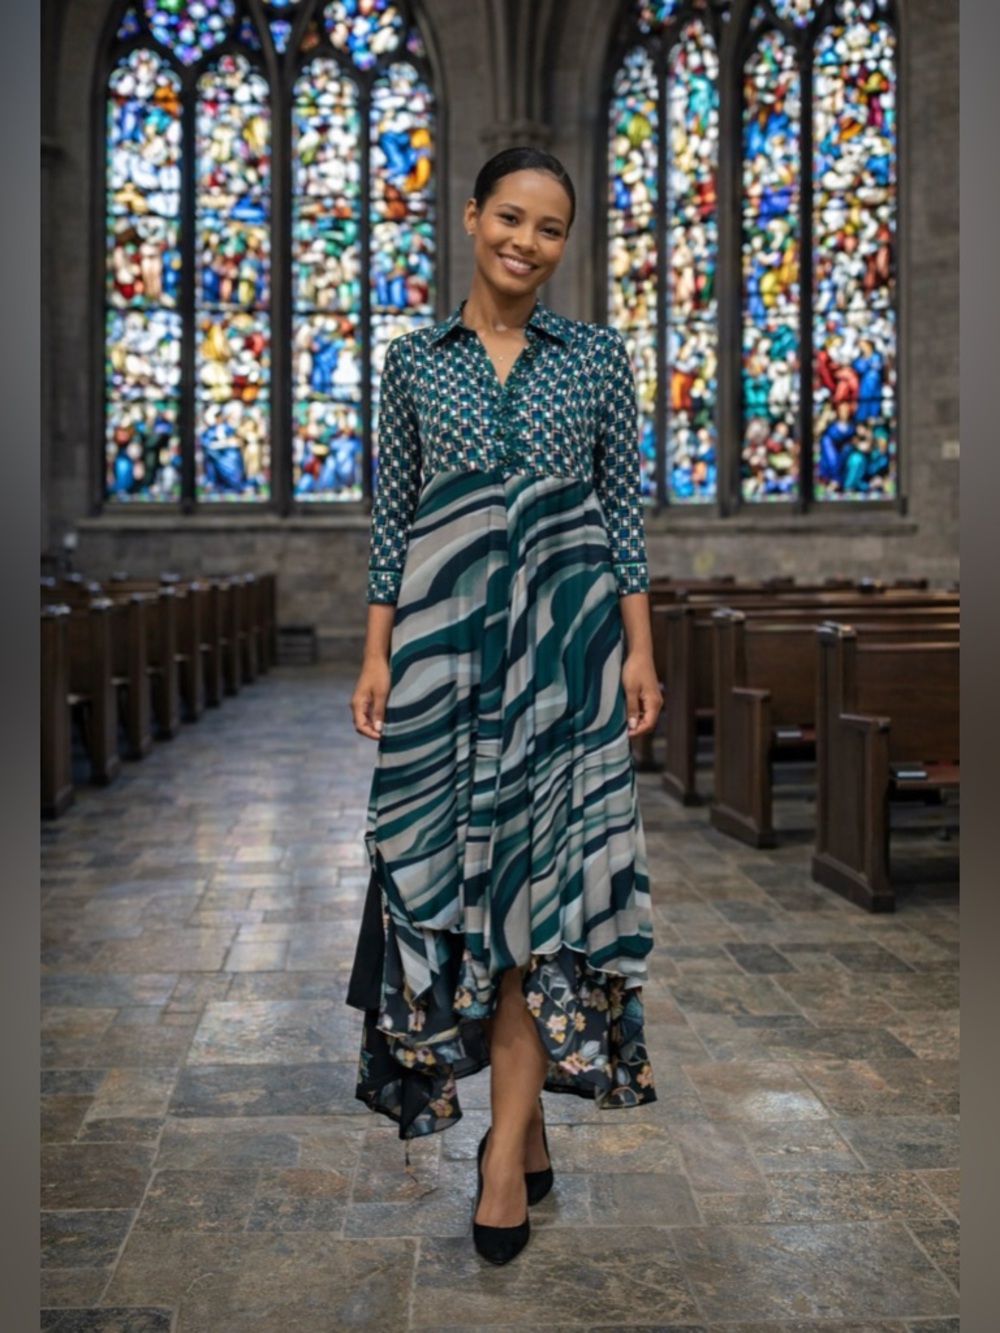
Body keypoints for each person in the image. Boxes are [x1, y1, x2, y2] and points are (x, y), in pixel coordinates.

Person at [347, 147, 661, 1266]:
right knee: (450, 892)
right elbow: (391, 519)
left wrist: (637, 651)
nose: (525, 242)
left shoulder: (596, 358)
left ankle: (501, 1157)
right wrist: (376, 654)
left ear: (565, 244)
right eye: (509, 218)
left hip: (565, 662)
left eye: (550, 228)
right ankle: (520, 1139)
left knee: (536, 908)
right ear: (471, 216)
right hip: (442, 657)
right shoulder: (412, 362)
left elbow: (623, 513)